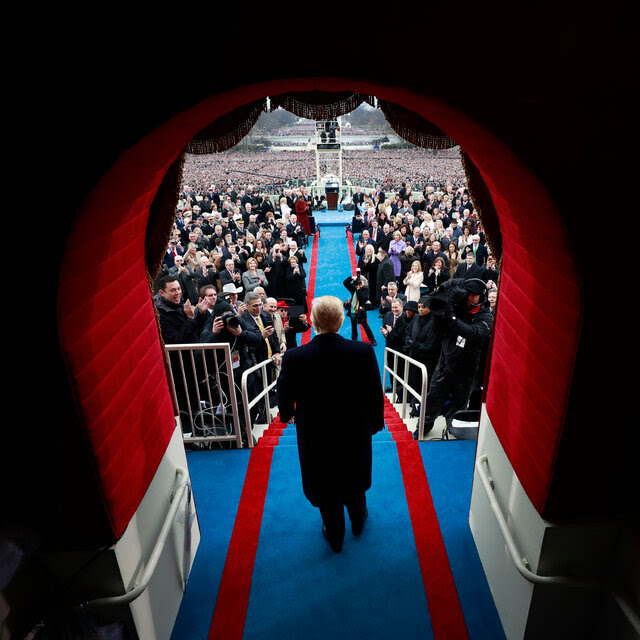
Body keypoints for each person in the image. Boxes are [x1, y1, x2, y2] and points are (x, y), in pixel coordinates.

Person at [276, 295, 384, 553]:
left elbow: (284, 394)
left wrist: (286, 413)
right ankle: (358, 520)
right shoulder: (362, 351)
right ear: (341, 320)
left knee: (323, 479)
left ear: (312, 322)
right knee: (354, 472)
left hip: (315, 432)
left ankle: (335, 535)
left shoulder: (295, 357)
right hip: (354, 429)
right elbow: (373, 391)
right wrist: (376, 423)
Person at [414, 279, 493, 440]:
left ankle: (453, 429)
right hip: (446, 364)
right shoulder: (455, 307)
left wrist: (452, 318)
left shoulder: (485, 316)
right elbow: (438, 326)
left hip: (467, 370)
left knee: (460, 403)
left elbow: (473, 332)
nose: (470, 298)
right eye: (468, 294)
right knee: (432, 399)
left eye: (474, 295)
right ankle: (423, 426)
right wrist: (441, 303)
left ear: (482, 297)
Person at [343, 274, 377, 345]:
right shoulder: (353, 288)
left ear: (363, 282)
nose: (359, 284)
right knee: (353, 326)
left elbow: (363, 298)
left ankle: (372, 339)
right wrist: (351, 278)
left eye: (360, 282)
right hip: (353, 309)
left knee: (365, 325)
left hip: (361, 310)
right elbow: (345, 283)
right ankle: (354, 340)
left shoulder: (365, 289)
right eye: (358, 282)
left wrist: (358, 289)